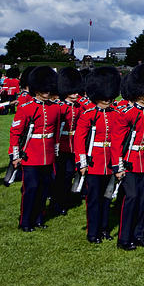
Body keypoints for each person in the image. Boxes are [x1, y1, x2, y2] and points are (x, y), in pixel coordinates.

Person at [112, 64, 144, 250]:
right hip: (129, 161)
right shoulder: (126, 114)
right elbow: (118, 142)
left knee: (142, 199)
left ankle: (139, 235)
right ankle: (124, 238)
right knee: (131, 198)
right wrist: (118, 166)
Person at [74, 66, 123, 243]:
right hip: (94, 162)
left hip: (110, 162)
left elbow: (118, 141)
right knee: (93, 199)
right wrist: (82, 162)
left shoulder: (116, 114)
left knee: (107, 198)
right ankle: (92, 232)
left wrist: (119, 163)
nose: (108, 100)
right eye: (104, 98)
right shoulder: (88, 115)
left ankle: (104, 229)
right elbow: (79, 140)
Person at [9, 66, 61, 231]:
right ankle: (25, 221)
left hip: (48, 154)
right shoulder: (26, 108)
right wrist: (15, 155)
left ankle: (39, 218)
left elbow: (57, 131)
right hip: (30, 154)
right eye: (43, 89)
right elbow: (15, 132)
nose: (46, 92)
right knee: (30, 188)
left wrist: (56, 151)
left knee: (44, 188)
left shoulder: (55, 108)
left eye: (48, 88)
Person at [50, 67, 85, 216]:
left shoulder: (79, 107)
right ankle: (56, 202)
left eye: (76, 91)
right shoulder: (59, 107)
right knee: (59, 175)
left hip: (73, 145)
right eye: (72, 92)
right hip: (60, 145)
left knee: (69, 173)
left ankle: (65, 199)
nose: (75, 94)